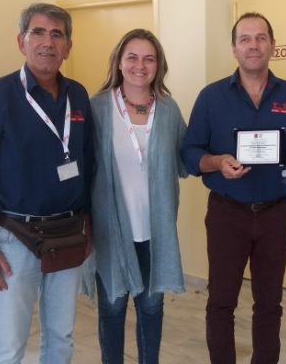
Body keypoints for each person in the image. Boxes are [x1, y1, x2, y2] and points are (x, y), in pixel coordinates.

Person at [0, 3, 92, 364]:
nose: (48, 42)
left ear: (68, 46)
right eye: (38, 32)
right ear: (21, 41)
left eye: (57, 34)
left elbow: (89, 164)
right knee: (9, 344)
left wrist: (88, 226)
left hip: (68, 234)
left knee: (61, 338)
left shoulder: (78, 96)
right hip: (14, 238)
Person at [181, 12, 286, 364]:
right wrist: (216, 162)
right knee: (221, 302)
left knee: (269, 303)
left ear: (272, 45)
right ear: (234, 49)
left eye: (260, 38)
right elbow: (190, 152)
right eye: (245, 39)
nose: (253, 45)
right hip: (227, 214)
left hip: (275, 215)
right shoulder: (211, 97)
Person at [85, 29, 187, 364]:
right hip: (111, 232)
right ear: (119, 61)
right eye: (132, 57)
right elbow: (83, 168)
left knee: (151, 309)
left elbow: (188, 156)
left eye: (149, 59)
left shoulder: (168, 110)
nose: (140, 66)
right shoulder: (98, 108)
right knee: (113, 308)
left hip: (156, 233)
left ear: (159, 65)